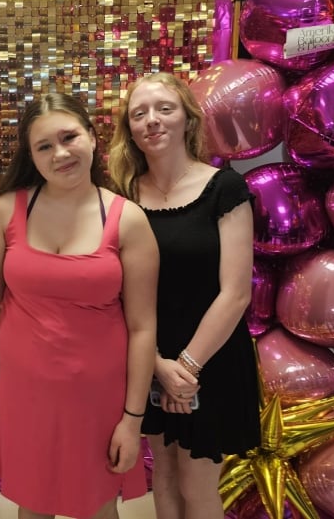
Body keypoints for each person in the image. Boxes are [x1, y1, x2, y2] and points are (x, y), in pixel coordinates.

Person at [0, 93, 159, 519]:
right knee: (33, 504)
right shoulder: (6, 210)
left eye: (69, 137)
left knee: (96, 508)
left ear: (93, 139)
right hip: (25, 391)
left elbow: (142, 327)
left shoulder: (128, 218)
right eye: (44, 146)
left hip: (98, 398)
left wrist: (132, 420)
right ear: (32, 156)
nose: (60, 153)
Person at [107, 72, 261, 519]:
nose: (152, 121)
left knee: (198, 485)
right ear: (130, 130)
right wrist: (157, 366)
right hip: (149, 355)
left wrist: (186, 370)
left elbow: (235, 294)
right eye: (140, 114)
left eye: (164, 109)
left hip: (209, 357)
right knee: (166, 478)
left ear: (187, 120)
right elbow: (116, 291)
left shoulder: (224, 188)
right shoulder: (123, 197)